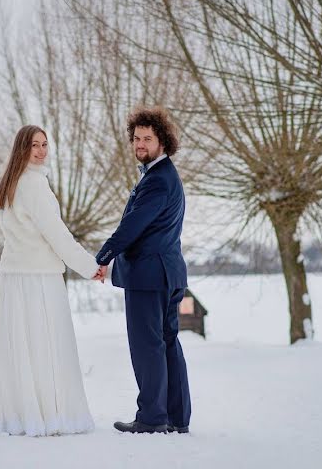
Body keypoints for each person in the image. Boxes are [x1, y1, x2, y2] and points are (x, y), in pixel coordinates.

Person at [0, 125, 103, 436]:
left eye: (44, 145)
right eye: (34, 145)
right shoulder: (35, 186)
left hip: (13, 279)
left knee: (17, 350)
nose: (40, 150)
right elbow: (58, 237)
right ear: (21, 149)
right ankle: (42, 416)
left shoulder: (9, 185)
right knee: (42, 347)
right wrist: (90, 268)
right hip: (38, 280)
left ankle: (17, 413)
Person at [94, 106, 192, 434]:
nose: (140, 144)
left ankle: (152, 418)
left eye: (147, 138)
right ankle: (176, 417)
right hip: (166, 274)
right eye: (136, 138)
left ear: (162, 141)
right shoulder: (161, 176)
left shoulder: (157, 181)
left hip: (149, 276)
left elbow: (132, 226)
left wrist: (103, 256)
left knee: (148, 346)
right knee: (165, 343)